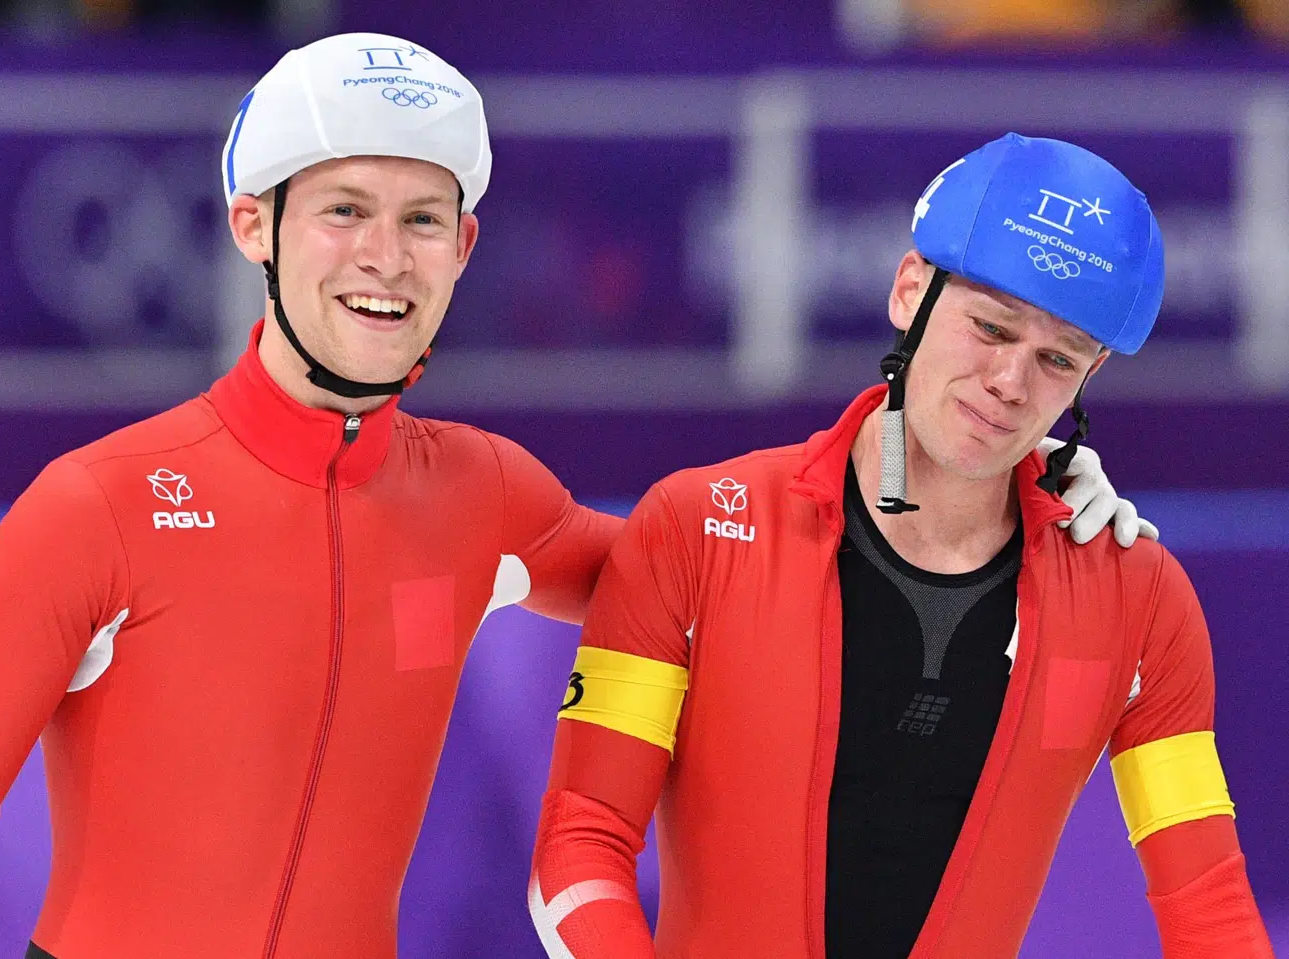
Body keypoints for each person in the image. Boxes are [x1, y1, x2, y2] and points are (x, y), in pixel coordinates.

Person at [0, 33, 1145, 957]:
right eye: (344, 208)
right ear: (254, 224)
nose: (384, 255)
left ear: (466, 247)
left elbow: (742, 561)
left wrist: (1022, 486)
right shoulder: (100, 502)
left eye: (425, 219)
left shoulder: (484, 494)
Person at [528, 133, 1276, 959]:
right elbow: (580, 845)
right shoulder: (697, 528)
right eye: (991, 328)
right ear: (909, 289)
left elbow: (1208, 908)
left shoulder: (1139, 598)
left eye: (1057, 360)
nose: (1010, 383)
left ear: (1091, 376)